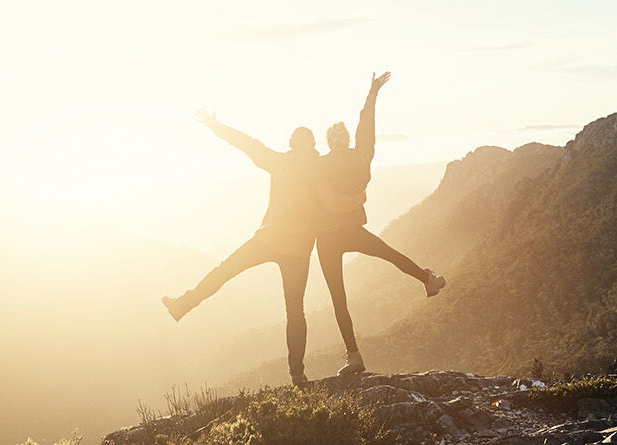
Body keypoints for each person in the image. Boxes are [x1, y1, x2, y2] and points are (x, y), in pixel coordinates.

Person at [162, 110, 321, 385]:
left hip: (270, 239)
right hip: (299, 249)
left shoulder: (281, 162)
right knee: (295, 310)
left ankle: (181, 306)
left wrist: (217, 127)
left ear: (292, 144)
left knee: (224, 271)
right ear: (313, 145)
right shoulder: (322, 168)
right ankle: (297, 374)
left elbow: (248, 144)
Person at [314, 72, 446, 376]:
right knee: (390, 254)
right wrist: (372, 93)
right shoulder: (362, 156)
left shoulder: (320, 165)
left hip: (327, 238)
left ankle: (354, 356)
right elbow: (367, 125)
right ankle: (427, 278)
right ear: (347, 139)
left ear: (329, 142)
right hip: (352, 231)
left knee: (338, 298)